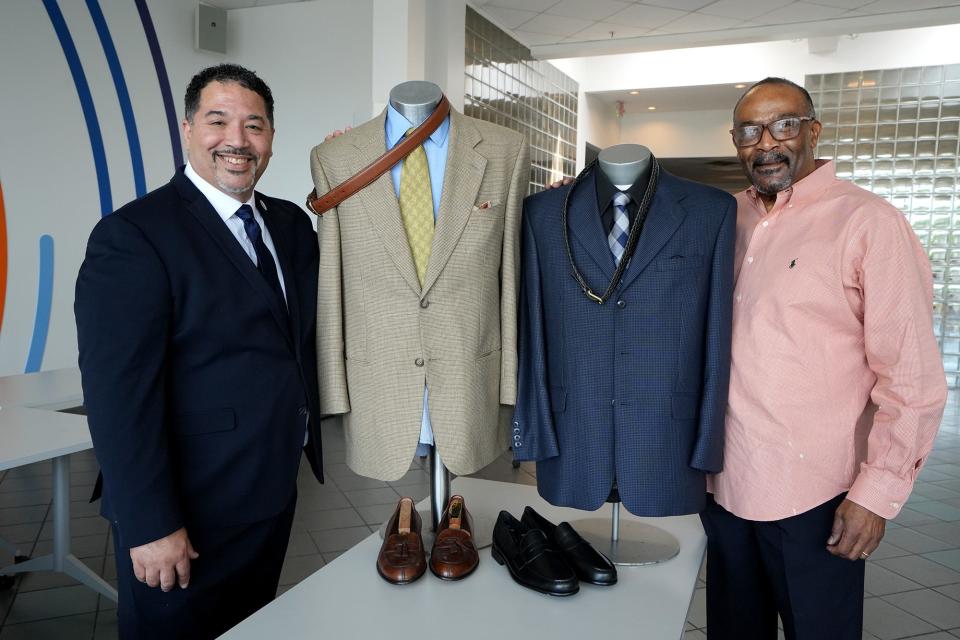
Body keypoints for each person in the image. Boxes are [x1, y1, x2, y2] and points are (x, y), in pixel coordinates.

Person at [75, 63, 323, 639]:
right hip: (185, 507)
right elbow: (118, 397)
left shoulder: (289, 225)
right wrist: (150, 523)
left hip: (269, 490)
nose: (237, 140)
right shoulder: (133, 236)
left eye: (254, 125)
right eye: (218, 121)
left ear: (271, 139)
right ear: (187, 129)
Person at [702, 77, 947, 639]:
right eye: (749, 131)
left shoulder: (869, 224)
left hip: (817, 495)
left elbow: (911, 380)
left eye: (783, 124)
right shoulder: (722, 218)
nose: (766, 143)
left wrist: (876, 495)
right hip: (726, 483)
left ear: (812, 131)